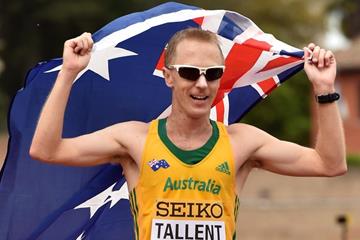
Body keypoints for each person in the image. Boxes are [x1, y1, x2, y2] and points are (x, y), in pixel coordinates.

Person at [30, 28, 347, 239]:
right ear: (169, 76)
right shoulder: (134, 140)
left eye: (212, 75)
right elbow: (47, 150)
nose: (201, 83)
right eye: (189, 72)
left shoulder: (242, 142)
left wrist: (324, 89)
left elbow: (329, 164)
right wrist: (69, 73)